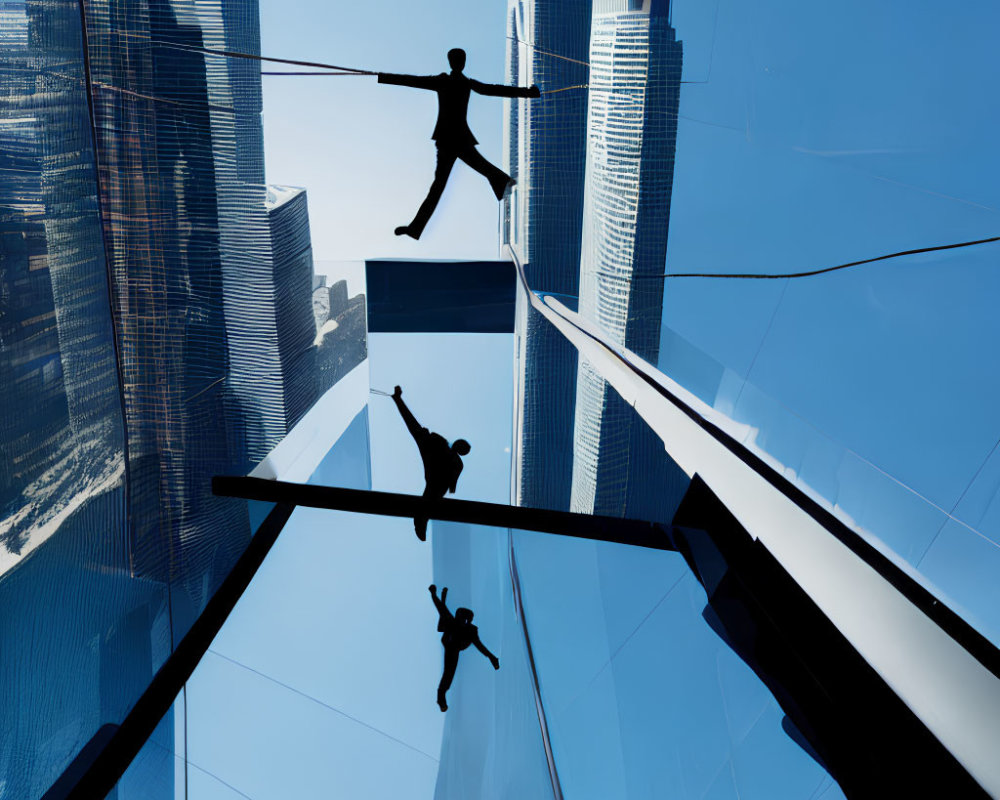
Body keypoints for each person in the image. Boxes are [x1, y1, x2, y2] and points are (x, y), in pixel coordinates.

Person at [378, 48, 541, 239]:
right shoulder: (462, 83)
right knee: (460, 176)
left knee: (440, 186)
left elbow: (411, 80)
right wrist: (529, 93)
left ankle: (503, 181)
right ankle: (503, 181)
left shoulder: (447, 81)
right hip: (457, 139)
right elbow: (495, 89)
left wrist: (381, 76)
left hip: (449, 140)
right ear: (459, 62)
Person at [392, 385, 470, 540]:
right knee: (414, 427)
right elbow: (452, 486)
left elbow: (451, 485)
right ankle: (421, 519)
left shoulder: (451, 456)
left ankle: (421, 520)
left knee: (414, 427)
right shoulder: (449, 453)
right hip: (434, 467)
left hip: (434, 472)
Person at [429, 584, 499, 712]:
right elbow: (441, 607)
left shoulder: (470, 630)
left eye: (465, 620)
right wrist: (434, 594)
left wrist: (492, 657)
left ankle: (441, 695)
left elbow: (479, 646)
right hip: (451, 643)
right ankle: (441, 695)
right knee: (448, 673)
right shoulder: (454, 623)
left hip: (455, 644)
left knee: (449, 672)